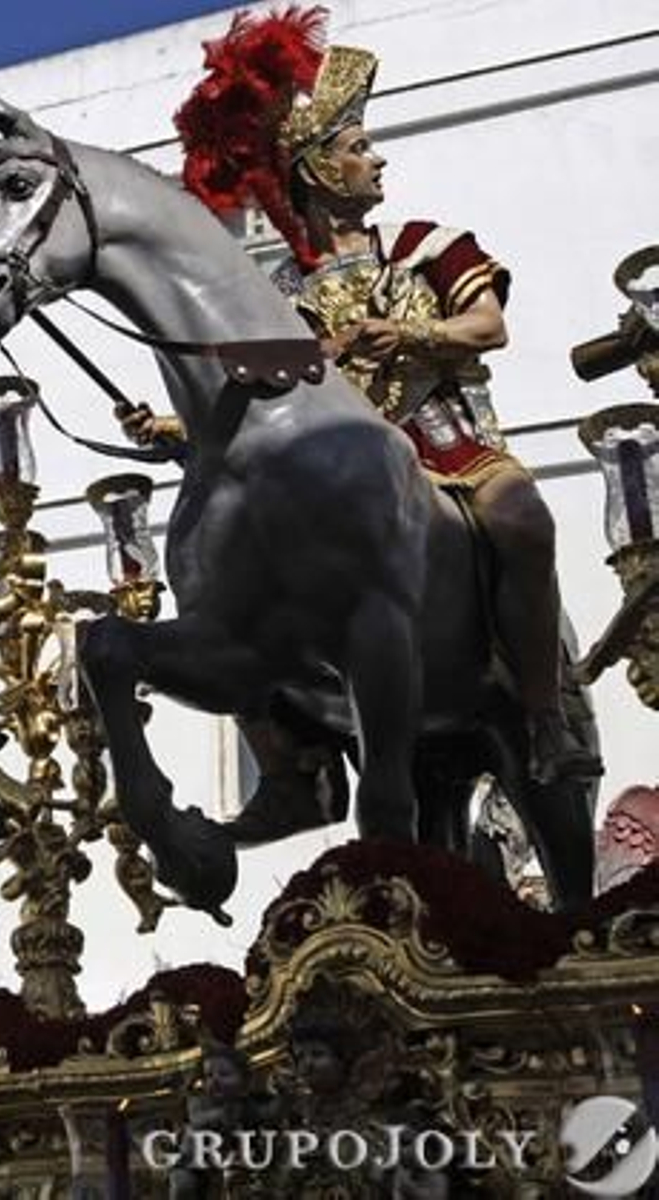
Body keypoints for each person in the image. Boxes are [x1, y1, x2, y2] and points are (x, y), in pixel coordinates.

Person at [172, 9, 593, 783]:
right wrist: (173, 423)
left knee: (524, 522)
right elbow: (254, 383)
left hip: (451, 444)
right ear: (319, 171)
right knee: (237, 561)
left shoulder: (424, 246)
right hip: (344, 464)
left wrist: (404, 334)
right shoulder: (282, 293)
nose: (377, 159)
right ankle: (292, 759)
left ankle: (545, 716)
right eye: (358, 147)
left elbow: (487, 327)